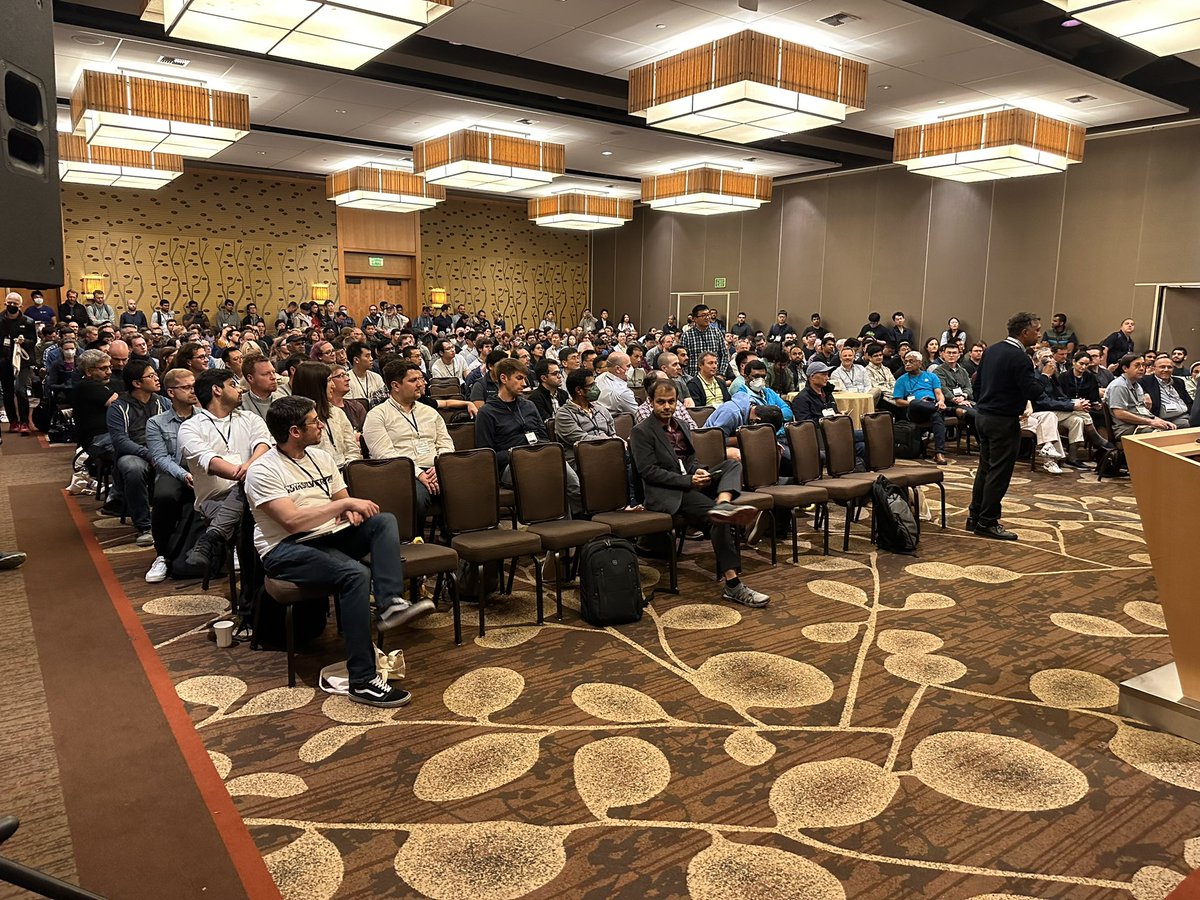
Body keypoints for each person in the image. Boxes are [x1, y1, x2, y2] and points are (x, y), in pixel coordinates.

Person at [246, 396, 432, 707]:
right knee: (356, 574)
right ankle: (362, 680)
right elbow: (292, 522)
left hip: (327, 536)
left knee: (383, 521)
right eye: (314, 421)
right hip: (284, 549)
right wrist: (345, 505)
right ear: (294, 431)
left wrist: (352, 512)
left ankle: (389, 603)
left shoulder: (321, 458)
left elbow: (343, 500)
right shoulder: (263, 471)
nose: (321, 424)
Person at [630, 379, 769, 609]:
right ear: (651, 402)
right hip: (667, 493)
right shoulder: (641, 432)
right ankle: (733, 585)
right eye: (661, 402)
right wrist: (688, 480)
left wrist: (699, 471)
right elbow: (649, 472)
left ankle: (724, 502)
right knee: (717, 520)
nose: (667, 406)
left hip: (690, 482)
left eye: (671, 401)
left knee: (731, 465)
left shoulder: (682, 425)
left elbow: (690, 460)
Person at [178, 369, 273, 585]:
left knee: (250, 499)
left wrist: (248, 469)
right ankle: (257, 593)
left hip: (256, 492)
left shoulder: (249, 418)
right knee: (250, 508)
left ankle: (212, 537)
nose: (240, 389)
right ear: (216, 390)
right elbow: (209, 461)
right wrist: (246, 474)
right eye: (233, 384)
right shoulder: (190, 427)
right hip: (215, 499)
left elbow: (264, 445)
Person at [968, 312, 1047, 540]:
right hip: (1002, 420)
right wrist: (1046, 376)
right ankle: (988, 521)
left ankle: (975, 516)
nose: (1039, 334)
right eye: (1037, 330)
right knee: (999, 472)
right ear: (1024, 333)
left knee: (985, 468)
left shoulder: (991, 349)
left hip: (983, 416)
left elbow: (977, 383)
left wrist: (987, 402)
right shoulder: (1019, 357)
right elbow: (1034, 391)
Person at [475, 358, 582, 515]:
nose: (524, 384)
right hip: (509, 465)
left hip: (539, 456)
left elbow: (543, 437)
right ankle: (552, 524)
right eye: (519, 378)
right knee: (549, 478)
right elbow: (486, 455)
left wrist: (539, 451)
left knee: (571, 482)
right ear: (503, 378)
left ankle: (577, 522)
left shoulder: (528, 406)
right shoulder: (487, 413)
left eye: (524, 378)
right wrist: (517, 453)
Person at [362, 360, 454, 521]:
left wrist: (440, 466)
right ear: (395, 386)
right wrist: (419, 473)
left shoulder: (429, 412)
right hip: (402, 472)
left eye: (421, 379)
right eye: (413, 380)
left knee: (465, 487)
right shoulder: (377, 415)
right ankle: (414, 540)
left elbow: (445, 443)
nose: (421, 384)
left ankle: (452, 536)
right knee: (416, 497)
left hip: (435, 468)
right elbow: (385, 454)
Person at [144, 368, 198, 583]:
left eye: (194, 386)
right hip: (173, 472)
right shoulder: (156, 423)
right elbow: (161, 459)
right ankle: (162, 555)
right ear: (171, 392)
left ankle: (226, 549)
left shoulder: (206, 417)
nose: (192, 391)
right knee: (165, 496)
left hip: (203, 469)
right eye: (186, 387)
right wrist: (184, 475)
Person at [106, 360, 169, 546]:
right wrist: (149, 454)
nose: (157, 378)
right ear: (136, 383)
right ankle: (144, 526)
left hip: (161, 451)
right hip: (134, 453)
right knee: (133, 468)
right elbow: (120, 441)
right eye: (151, 376)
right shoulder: (118, 407)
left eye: (156, 374)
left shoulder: (163, 402)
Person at [289, 362, 362, 468]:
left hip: (344, 473)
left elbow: (352, 450)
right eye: (328, 381)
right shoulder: (294, 420)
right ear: (315, 385)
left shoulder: (337, 413)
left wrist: (347, 471)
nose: (333, 385)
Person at [893, 351, 948, 465]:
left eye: (911, 361)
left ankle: (939, 453)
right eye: (905, 361)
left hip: (931, 407)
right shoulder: (901, 380)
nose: (907, 364)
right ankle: (946, 409)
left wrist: (941, 401)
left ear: (919, 363)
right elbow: (898, 402)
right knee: (915, 403)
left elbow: (938, 393)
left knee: (937, 416)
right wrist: (916, 403)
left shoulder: (931, 376)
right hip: (913, 411)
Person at [554, 368, 617, 466]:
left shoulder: (600, 409)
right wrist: (609, 442)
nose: (596, 388)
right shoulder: (564, 414)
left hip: (607, 453)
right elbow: (582, 439)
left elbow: (612, 433)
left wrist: (618, 442)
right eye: (591, 385)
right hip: (582, 458)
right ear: (579, 390)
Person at [1106, 353, 1177, 437]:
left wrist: (1160, 420)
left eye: (1143, 365)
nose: (1142, 368)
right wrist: (1150, 422)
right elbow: (1120, 413)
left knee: (1171, 430)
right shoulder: (1118, 386)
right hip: (1126, 428)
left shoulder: (1137, 385)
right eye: (1137, 365)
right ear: (1125, 368)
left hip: (1141, 424)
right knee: (1161, 436)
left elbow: (1142, 410)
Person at [0, 293, 38, 433]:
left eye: (15, 303)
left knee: (20, 390)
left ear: (20, 305)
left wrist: (24, 342)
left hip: (23, 360)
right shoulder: (0, 319)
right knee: (7, 392)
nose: (12, 305)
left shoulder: (28, 321)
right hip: (4, 360)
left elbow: (33, 341)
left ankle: (24, 422)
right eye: (9, 302)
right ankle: (13, 421)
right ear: (5, 303)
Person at [1140, 353, 1193, 426]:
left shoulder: (1178, 382)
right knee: (1188, 424)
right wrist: (1145, 394)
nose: (1166, 370)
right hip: (1163, 419)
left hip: (1185, 415)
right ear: (1154, 368)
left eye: (1169, 367)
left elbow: (1189, 401)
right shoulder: (1145, 380)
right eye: (1162, 367)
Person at [933, 343, 976, 431]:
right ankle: (983, 443)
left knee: (987, 413)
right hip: (950, 404)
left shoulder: (963, 371)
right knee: (977, 416)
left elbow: (968, 387)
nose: (951, 355)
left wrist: (963, 396)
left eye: (954, 353)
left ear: (959, 355)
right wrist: (955, 399)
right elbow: (942, 388)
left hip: (965, 401)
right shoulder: (938, 371)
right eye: (949, 353)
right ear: (943, 354)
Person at [680, 303, 729, 379]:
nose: (707, 318)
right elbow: (683, 359)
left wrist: (721, 374)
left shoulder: (717, 333)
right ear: (694, 319)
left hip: (714, 377)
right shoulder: (686, 335)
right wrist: (687, 377)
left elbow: (724, 355)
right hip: (694, 378)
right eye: (703, 315)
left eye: (708, 315)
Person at [596, 351, 638, 416]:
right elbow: (639, 416)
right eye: (628, 366)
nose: (631, 369)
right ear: (618, 369)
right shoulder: (622, 392)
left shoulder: (598, 378)